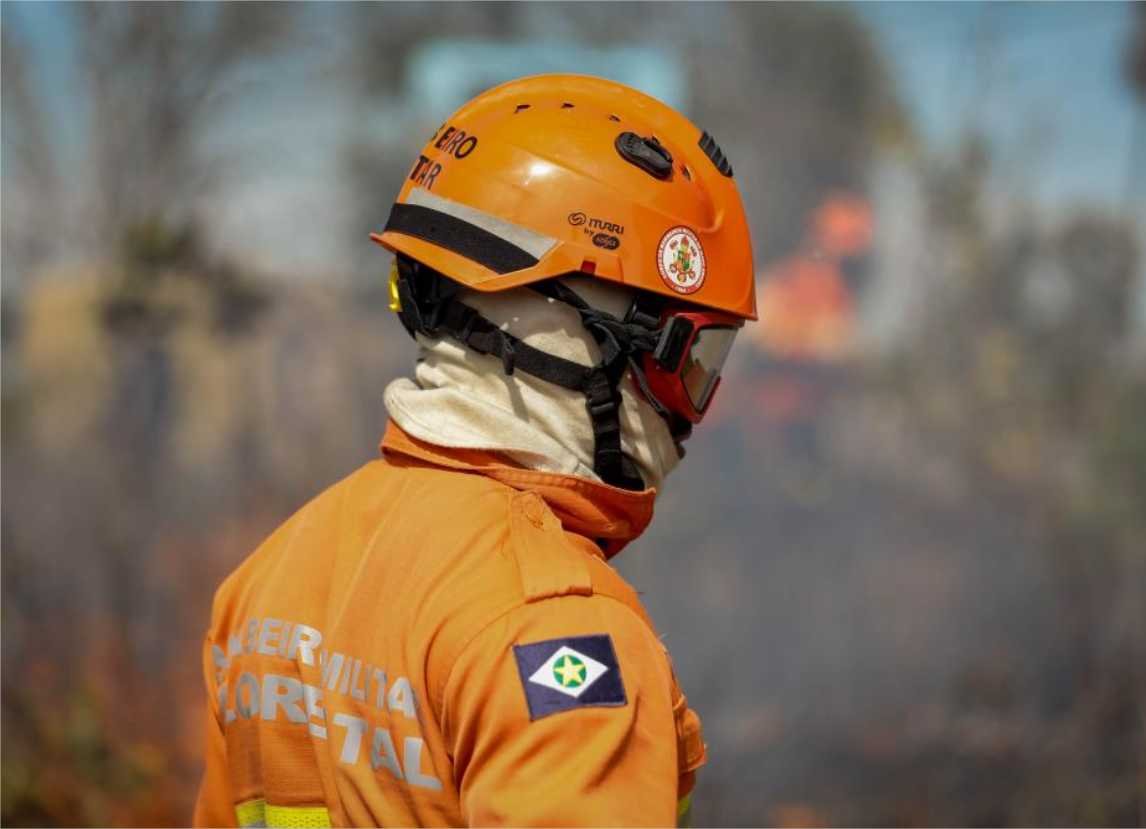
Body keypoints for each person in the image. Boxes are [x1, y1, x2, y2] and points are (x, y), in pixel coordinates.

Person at [194, 73, 756, 828]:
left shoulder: (270, 577)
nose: (688, 414)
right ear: (580, 339)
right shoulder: (559, 636)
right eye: (690, 362)